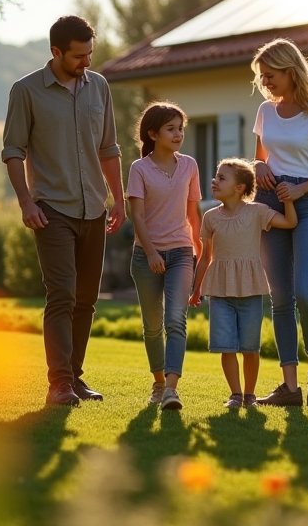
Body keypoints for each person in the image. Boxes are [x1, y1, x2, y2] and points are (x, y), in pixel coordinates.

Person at [1, 15, 125, 407]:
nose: (87, 62)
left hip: (94, 207)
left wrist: (118, 199)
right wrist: (25, 202)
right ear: (56, 52)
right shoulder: (26, 91)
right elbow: (13, 152)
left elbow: (109, 148)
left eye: (90, 54)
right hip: (51, 209)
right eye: (79, 56)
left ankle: (76, 377)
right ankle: (59, 383)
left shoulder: (99, 87)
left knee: (87, 298)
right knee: (62, 295)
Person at [250, 38, 308, 407]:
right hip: (270, 203)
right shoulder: (265, 111)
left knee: (306, 291)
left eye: (270, 76)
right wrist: (258, 166)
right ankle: (289, 388)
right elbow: (262, 159)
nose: (265, 83)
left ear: (291, 71)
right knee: (280, 298)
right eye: (261, 77)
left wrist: (301, 189)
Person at [190, 158, 296, 408]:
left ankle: (250, 395)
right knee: (226, 346)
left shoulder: (257, 212)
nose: (214, 181)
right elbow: (205, 258)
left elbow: (290, 223)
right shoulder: (210, 218)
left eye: (222, 178)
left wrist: (289, 199)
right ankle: (235, 394)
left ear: (239, 188)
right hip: (220, 290)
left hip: (250, 289)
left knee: (251, 348)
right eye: (216, 176)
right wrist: (196, 291)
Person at [126, 102, 202, 411]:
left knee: (175, 319)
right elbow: (138, 217)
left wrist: (197, 249)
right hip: (146, 256)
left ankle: (171, 390)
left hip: (182, 252)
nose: (178, 134)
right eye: (171, 129)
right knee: (153, 326)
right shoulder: (139, 169)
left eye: (181, 128)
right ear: (153, 133)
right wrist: (152, 252)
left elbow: (192, 212)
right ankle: (158, 383)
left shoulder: (190, 166)